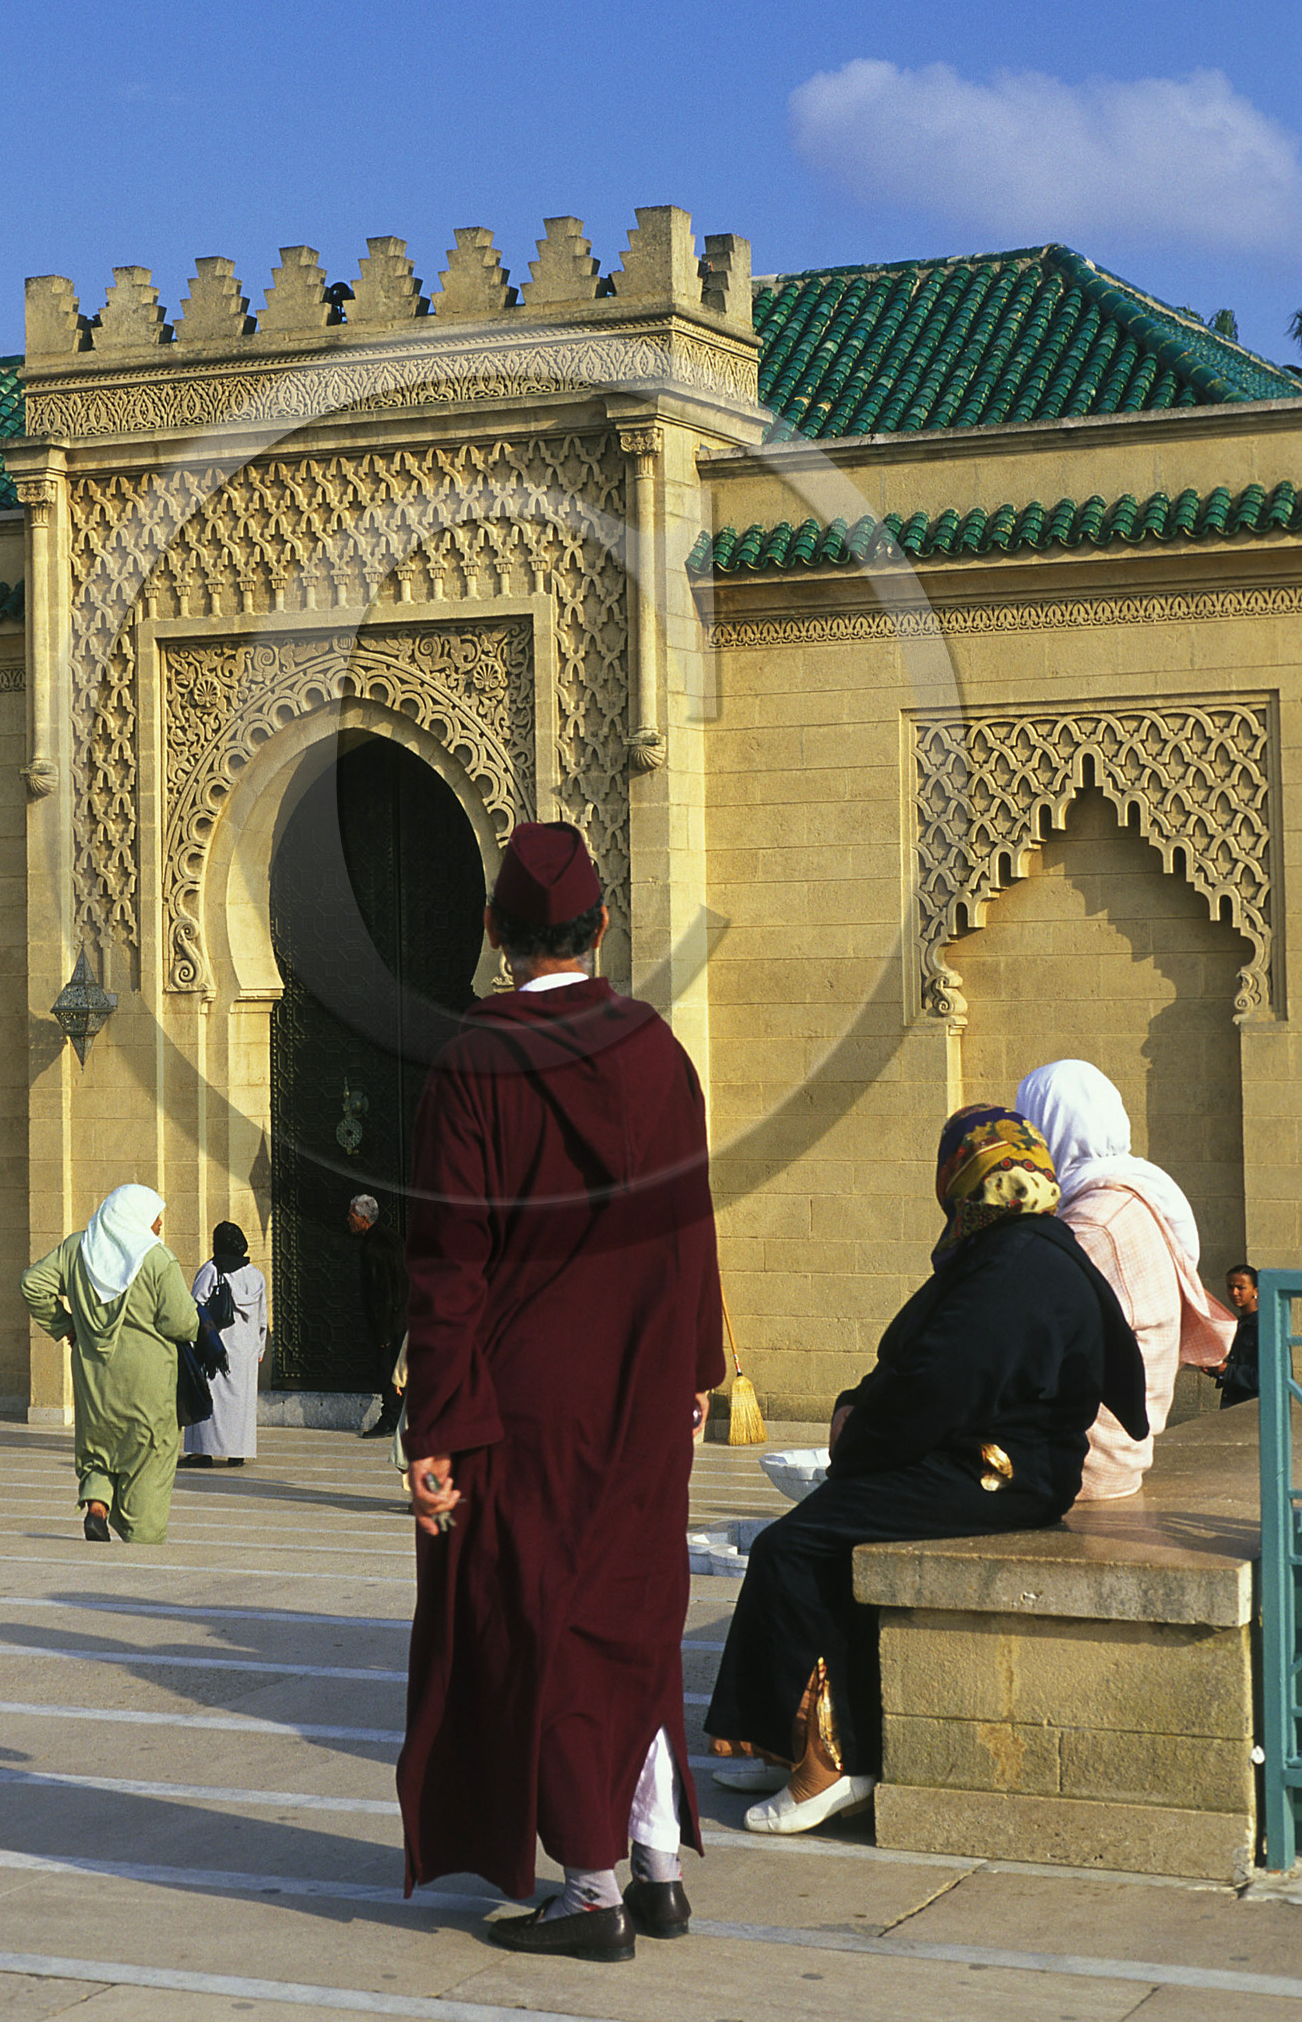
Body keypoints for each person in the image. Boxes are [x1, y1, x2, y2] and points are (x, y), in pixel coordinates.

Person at [397, 821, 724, 1966]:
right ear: (599, 929)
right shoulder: (658, 1052)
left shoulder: (475, 1061)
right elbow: (692, 1223)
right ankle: (655, 1865)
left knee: (543, 1622)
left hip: (525, 1406)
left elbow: (449, 1259)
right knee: (628, 1612)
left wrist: (435, 1428)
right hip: (642, 1392)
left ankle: (589, 1889)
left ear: (494, 933)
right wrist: (696, 1366)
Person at [705, 1106, 1147, 1836]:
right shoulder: (1022, 1245)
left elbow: (941, 1384)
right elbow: (928, 1365)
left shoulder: (1019, 1261)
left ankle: (836, 1760)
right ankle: (783, 1737)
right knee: (811, 1531)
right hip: (982, 1459)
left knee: (796, 1544)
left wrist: (859, 1437)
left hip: (1002, 1474)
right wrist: (859, 1409)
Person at [1015, 1062, 1234, 1497]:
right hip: (1115, 1456)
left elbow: (1019, 1342)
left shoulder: (1096, 1224)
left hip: (1085, 1463)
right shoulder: (1129, 1195)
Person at [21, 1182, 199, 1544]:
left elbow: (32, 1284)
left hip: (93, 1380)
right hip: (147, 1387)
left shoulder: (77, 1248)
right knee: (148, 1455)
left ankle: (98, 1506)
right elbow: (180, 1322)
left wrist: (66, 1324)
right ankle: (141, 1538)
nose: (160, 1225)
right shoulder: (157, 1260)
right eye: (155, 1218)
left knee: (100, 1449)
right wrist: (203, 1322)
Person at [182, 1221, 267, 1466]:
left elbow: (194, 1307)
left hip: (215, 1349)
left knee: (209, 1399)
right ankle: (237, 1452)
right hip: (246, 1351)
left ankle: (201, 1452)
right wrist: (259, 1348)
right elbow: (262, 1316)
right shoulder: (255, 1275)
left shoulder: (211, 1270)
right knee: (241, 1403)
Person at [346, 1193, 407, 1440]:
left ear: (363, 1218)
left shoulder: (375, 1246)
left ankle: (391, 1418)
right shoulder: (387, 1238)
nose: (348, 1220)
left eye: (351, 1216)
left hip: (391, 1322)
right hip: (400, 1317)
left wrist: (383, 1333)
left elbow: (383, 1291)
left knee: (388, 1371)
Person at [1210, 1262, 1260, 1408]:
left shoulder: (1263, 1326)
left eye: (1241, 1288)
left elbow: (1265, 1377)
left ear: (1255, 1291)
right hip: (1232, 1404)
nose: (1234, 1293)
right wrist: (1216, 1371)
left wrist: (1227, 1370)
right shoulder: (1237, 1324)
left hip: (1253, 1408)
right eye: (1230, 1287)